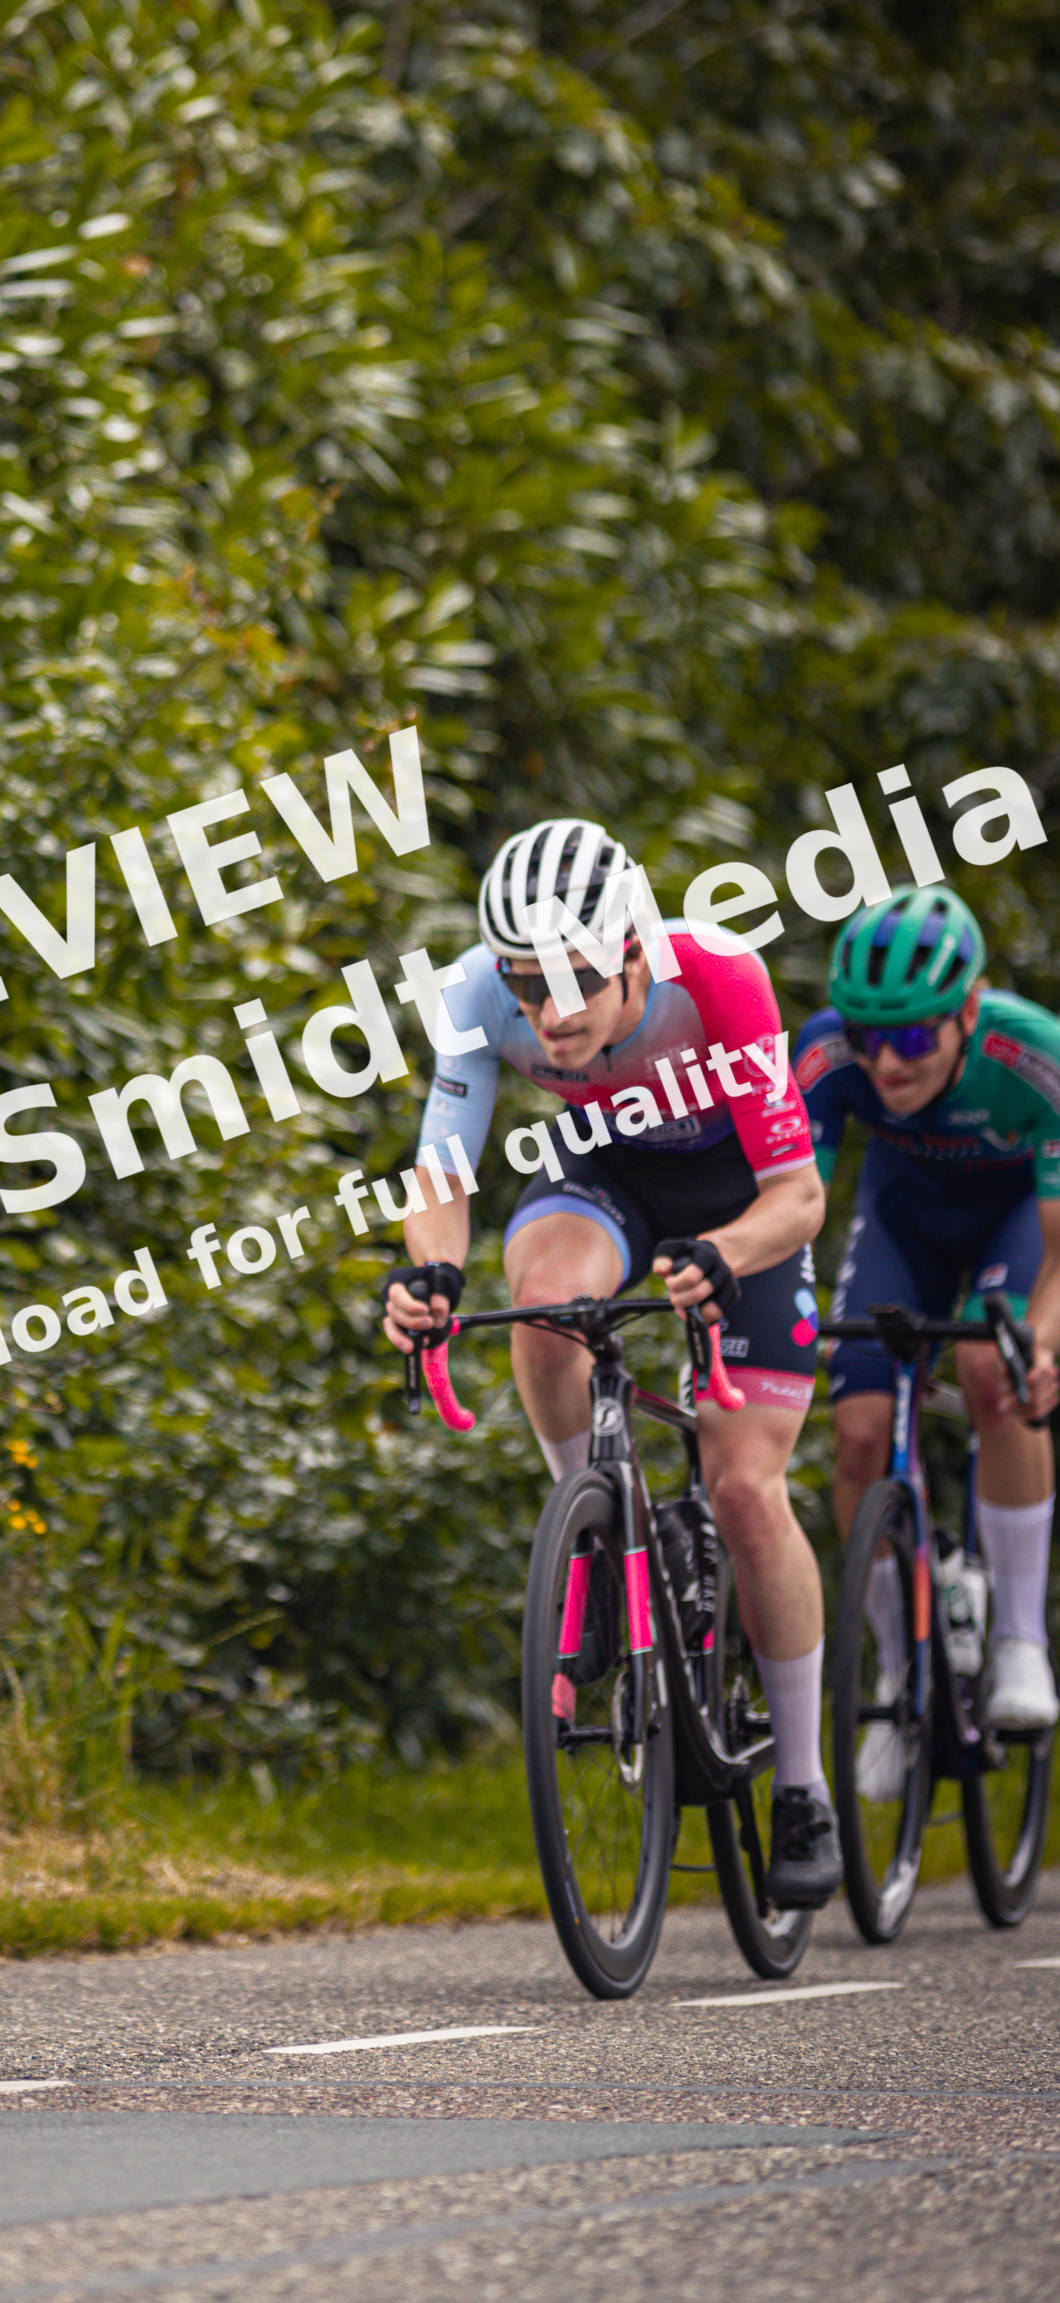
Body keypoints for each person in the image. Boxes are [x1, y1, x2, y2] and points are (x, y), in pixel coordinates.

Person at [380, 815, 840, 1905]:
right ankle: (590, 1529)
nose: (553, 1013)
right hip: (607, 1180)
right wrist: (429, 1279)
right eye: (526, 984)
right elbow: (440, 1180)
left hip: (740, 1206)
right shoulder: (471, 997)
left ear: (635, 945)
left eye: (579, 977)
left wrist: (725, 1256)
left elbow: (800, 1196)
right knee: (540, 1305)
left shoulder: (716, 977)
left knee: (742, 1487)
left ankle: (804, 1789)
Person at [795, 886, 1060, 1756]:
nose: (886, 1064)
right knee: (861, 1434)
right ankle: (898, 1674)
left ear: (970, 1011)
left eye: (911, 1036)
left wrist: (1044, 1342)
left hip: (1018, 1222)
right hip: (905, 1218)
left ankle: (1021, 1640)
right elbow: (790, 1205)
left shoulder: (1034, 1056)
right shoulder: (826, 1055)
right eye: (868, 1037)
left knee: (996, 1374)